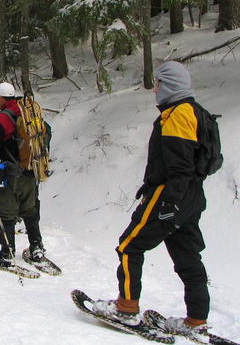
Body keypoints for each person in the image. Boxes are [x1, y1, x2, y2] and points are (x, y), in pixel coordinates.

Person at [93, 61, 210, 339]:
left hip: (169, 193)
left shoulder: (179, 114)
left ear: (169, 85)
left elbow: (179, 165)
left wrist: (169, 205)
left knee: (129, 246)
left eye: (158, 83)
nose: (155, 89)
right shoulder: (196, 111)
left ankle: (126, 308)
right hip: (191, 195)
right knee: (188, 257)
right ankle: (196, 321)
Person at [0, 82, 45, 267]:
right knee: (30, 211)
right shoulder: (28, 113)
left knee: (7, 213)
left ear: (1, 98)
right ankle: (37, 249)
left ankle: (7, 254)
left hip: (11, 172)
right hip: (31, 170)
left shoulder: (0, 121)